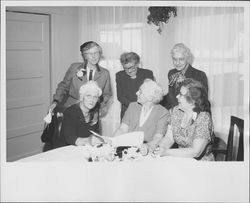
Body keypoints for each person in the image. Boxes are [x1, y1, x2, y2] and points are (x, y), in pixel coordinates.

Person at [49, 41, 112, 117]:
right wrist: (55, 101)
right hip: (72, 108)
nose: (94, 56)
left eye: (96, 53)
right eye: (90, 54)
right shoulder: (74, 68)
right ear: (85, 56)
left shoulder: (105, 73)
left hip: (93, 112)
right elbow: (63, 86)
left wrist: (97, 105)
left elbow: (107, 94)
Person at [158, 78, 214, 161]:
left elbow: (196, 152)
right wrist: (161, 148)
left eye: (181, 94)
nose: (177, 96)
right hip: (181, 159)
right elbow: (169, 138)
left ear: (193, 100)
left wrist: (166, 152)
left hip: (201, 163)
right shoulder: (176, 111)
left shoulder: (203, 117)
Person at [112, 79, 170, 152]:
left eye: (140, 92)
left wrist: (147, 146)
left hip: (148, 149)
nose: (136, 93)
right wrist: (112, 143)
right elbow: (122, 129)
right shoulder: (132, 106)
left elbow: (158, 137)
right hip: (127, 148)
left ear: (150, 97)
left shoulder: (163, 113)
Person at [57, 81, 107, 147]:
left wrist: (102, 140)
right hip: (67, 150)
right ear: (82, 97)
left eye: (95, 97)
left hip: (86, 149)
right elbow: (70, 138)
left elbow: (96, 134)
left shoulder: (95, 112)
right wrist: (89, 141)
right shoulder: (70, 112)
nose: (92, 100)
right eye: (88, 96)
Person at [161, 43, 208, 110]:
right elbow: (171, 95)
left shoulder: (200, 75)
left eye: (181, 59)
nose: (177, 63)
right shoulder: (171, 73)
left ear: (187, 59)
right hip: (174, 113)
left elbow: (202, 101)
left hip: (190, 113)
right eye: (175, 59)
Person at [116, 52, 154, 120]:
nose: (129, 71)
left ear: (137, 64)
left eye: (132, 67)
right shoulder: (119, 75)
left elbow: (151, 94)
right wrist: (134, 107)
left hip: (145, 110)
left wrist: (141, 107)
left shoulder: (147, 74)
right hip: (128, 111)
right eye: (126, 68)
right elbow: (120, 96)